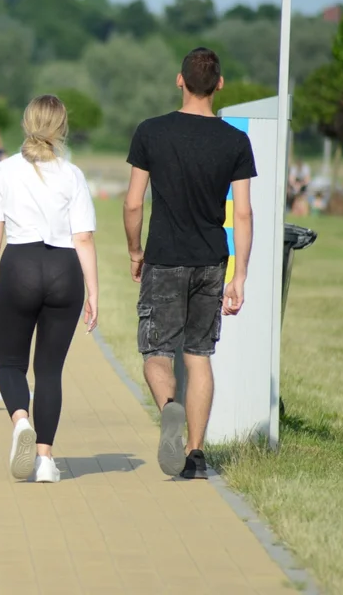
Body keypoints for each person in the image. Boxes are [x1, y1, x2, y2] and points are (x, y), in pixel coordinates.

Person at [123, 47, 256, 480]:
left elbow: (132, 203)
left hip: (164, 257)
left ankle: (169, 408)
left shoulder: (151, 132)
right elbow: (243, 213)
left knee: (157, 351)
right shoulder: (236, 140)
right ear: (219, 85)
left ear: (179, 81)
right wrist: (240, 275)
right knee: (199, 355)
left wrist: (134, 250)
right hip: (211, 260)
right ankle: (195, 454)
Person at [0, 95, 98, 483]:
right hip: (65, 269)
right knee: (49, 370)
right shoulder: (73, 174)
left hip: (21, 265)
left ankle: (20, 421)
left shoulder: (5, 171)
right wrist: (93, 292)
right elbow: (83, 238)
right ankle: (45, 460)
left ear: (25, 124)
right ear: (61, 127)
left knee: (10, 364)